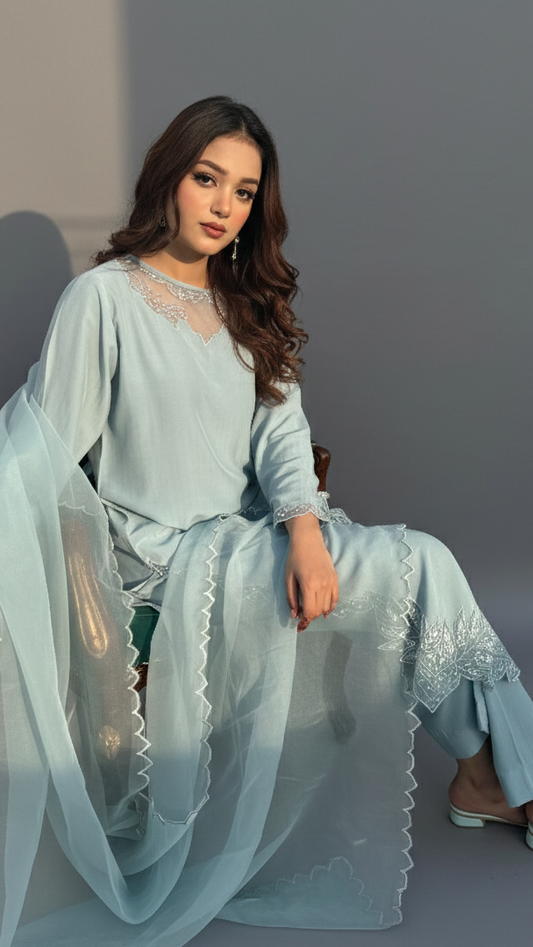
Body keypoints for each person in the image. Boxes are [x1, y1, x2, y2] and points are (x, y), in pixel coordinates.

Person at [1, 95, 533, 947]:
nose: (222, 205)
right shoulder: (101, 300)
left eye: (244, 192)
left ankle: (490, 773)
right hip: (163, 562)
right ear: (166, 180)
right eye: (206, 179)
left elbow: (284, 441)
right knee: (420, 561)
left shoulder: (248, 308)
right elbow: (43, 458)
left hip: (255, 542)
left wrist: (304, 531)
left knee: (420, 560)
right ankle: (495, 776)